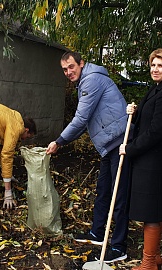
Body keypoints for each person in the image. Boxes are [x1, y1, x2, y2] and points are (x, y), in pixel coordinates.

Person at [46, 51, 131, 263]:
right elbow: (88, 119)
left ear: (81, 63)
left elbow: (81, 119)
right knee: (103, 190)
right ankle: (97, 233)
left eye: (71, 67)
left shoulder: (91, 80)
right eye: (64, 69)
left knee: (118, 195)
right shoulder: (88, 80)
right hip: (108, 144)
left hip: (120, 141)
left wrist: (59, 141)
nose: (68, 72)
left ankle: (119, 247)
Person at [119, 49, 162, 270]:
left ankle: (148, 264)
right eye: (153, 65)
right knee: (151, 209)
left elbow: (156, 131)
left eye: (160, 65)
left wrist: (130, 148)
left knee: (151, 210)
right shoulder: (154, 89)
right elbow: (147, 119)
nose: (155, 69)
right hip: (147, 161)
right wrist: (134, 112)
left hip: (154, 162)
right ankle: (153, 257)